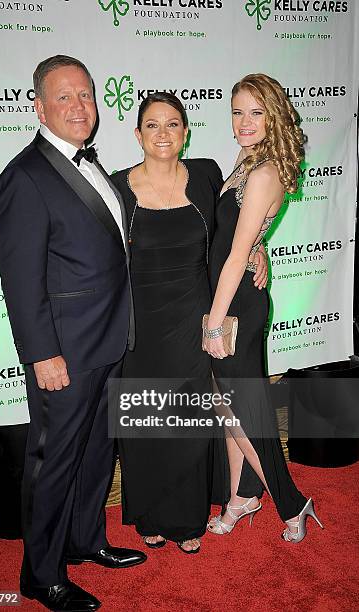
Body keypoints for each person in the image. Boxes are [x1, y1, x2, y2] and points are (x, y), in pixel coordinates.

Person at [0, 55, 146, 612]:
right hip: (66, 352)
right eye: (65, 97)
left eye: (86, 95)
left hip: (110, 340)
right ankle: (40, 574)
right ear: (38, 106)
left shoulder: (94, 165)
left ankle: (85, 541)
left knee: (97, 452)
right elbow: (21, 278)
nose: (80, 106)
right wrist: (42, 354)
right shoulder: (24, 177)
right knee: (55, 460)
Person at [111, 92, 268, 554]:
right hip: (141, 318)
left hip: (195, 312)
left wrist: (257, 248)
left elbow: (230, 232)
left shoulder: (205, 175)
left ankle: (185, 519)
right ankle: (151, 516)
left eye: (173, 123)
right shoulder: (117, 186)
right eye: (153, 125)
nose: (164, 133)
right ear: (138, 134)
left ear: (186, 132)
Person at [204, 73, 323, 543]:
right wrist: (261, 246)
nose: (244, 122)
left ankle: (290, 500)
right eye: (237, 111)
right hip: (229, 297)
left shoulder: (265, 171)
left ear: (273, 115)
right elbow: (241, 237)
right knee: (229, 407)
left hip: (235, 306)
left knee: (243, 413)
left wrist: (214, 324)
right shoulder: (245, 160)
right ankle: (241, 494)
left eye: (256, 112)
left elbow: (235, 254)